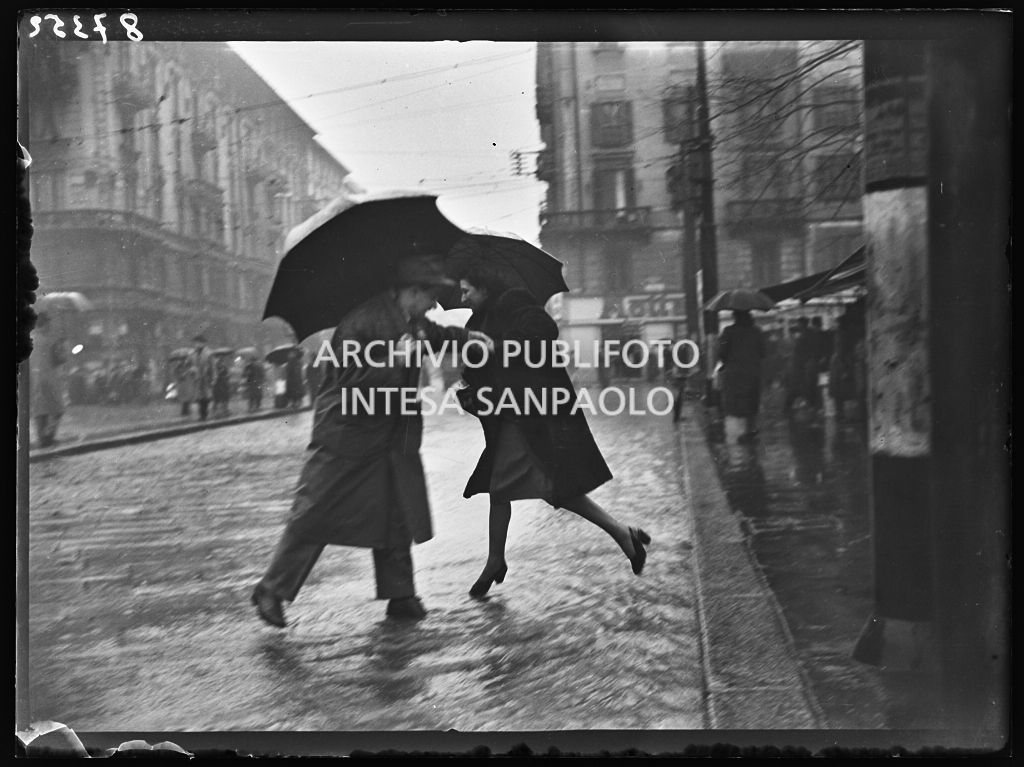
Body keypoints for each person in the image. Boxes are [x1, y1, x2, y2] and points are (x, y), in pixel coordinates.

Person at [251, 256, 494, 627]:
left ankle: (401, 595)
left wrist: (468, 338)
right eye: (430, 296)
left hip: (389, 432)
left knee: (397, 509)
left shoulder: (409, 319)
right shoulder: (362, 321)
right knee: (317, 512)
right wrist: (395, 360)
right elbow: (349, 378)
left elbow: (434, 334)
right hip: (347, 434)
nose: (434, 305)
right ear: (411, 292)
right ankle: (271, 589)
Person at [457, 262, 651, 600]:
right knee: (524, 487)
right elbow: (480, 365)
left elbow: (542, 334)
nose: (462, 297)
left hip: (532, 415)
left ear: (484, 288)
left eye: (466, 290)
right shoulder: (478, 321)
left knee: (524, 484)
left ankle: (497, 561)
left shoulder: (515, 303)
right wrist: (470, 385)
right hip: (508, 415)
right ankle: (497, 559)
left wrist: (496, 348)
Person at [716, 309, 766, 443]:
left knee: (735, 405)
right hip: (753, 372)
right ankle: (750, 431)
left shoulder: (728, 332)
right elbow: (763, 352)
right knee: (752, 402)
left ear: (735, 317)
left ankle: (738, 435)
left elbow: (721, 352)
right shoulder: (757, 331)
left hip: (734, 374)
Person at [30, 311, 68, 447]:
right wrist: (62, 347)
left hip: (34, 381)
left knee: (40, 411)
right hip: (50, 380)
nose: (51, 325)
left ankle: (42, 439)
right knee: (57, 410)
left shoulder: (30, 339)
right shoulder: (52, 341)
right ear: (45, 323)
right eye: (49, 322)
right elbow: (61, 359)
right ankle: (49, 436)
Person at [190, 334, 215, 421]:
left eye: (199, 343)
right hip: (197, 378)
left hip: (206, 378)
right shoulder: (192, 354)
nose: (197, 345)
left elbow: (213, 367)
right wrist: (192, 370)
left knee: (206, 397)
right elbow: (190, 365)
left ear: (203, 343)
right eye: (196, 343)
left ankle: (204, 413)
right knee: (199, 397)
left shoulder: (209, 353)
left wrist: (213, 378)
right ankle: (201, 414)